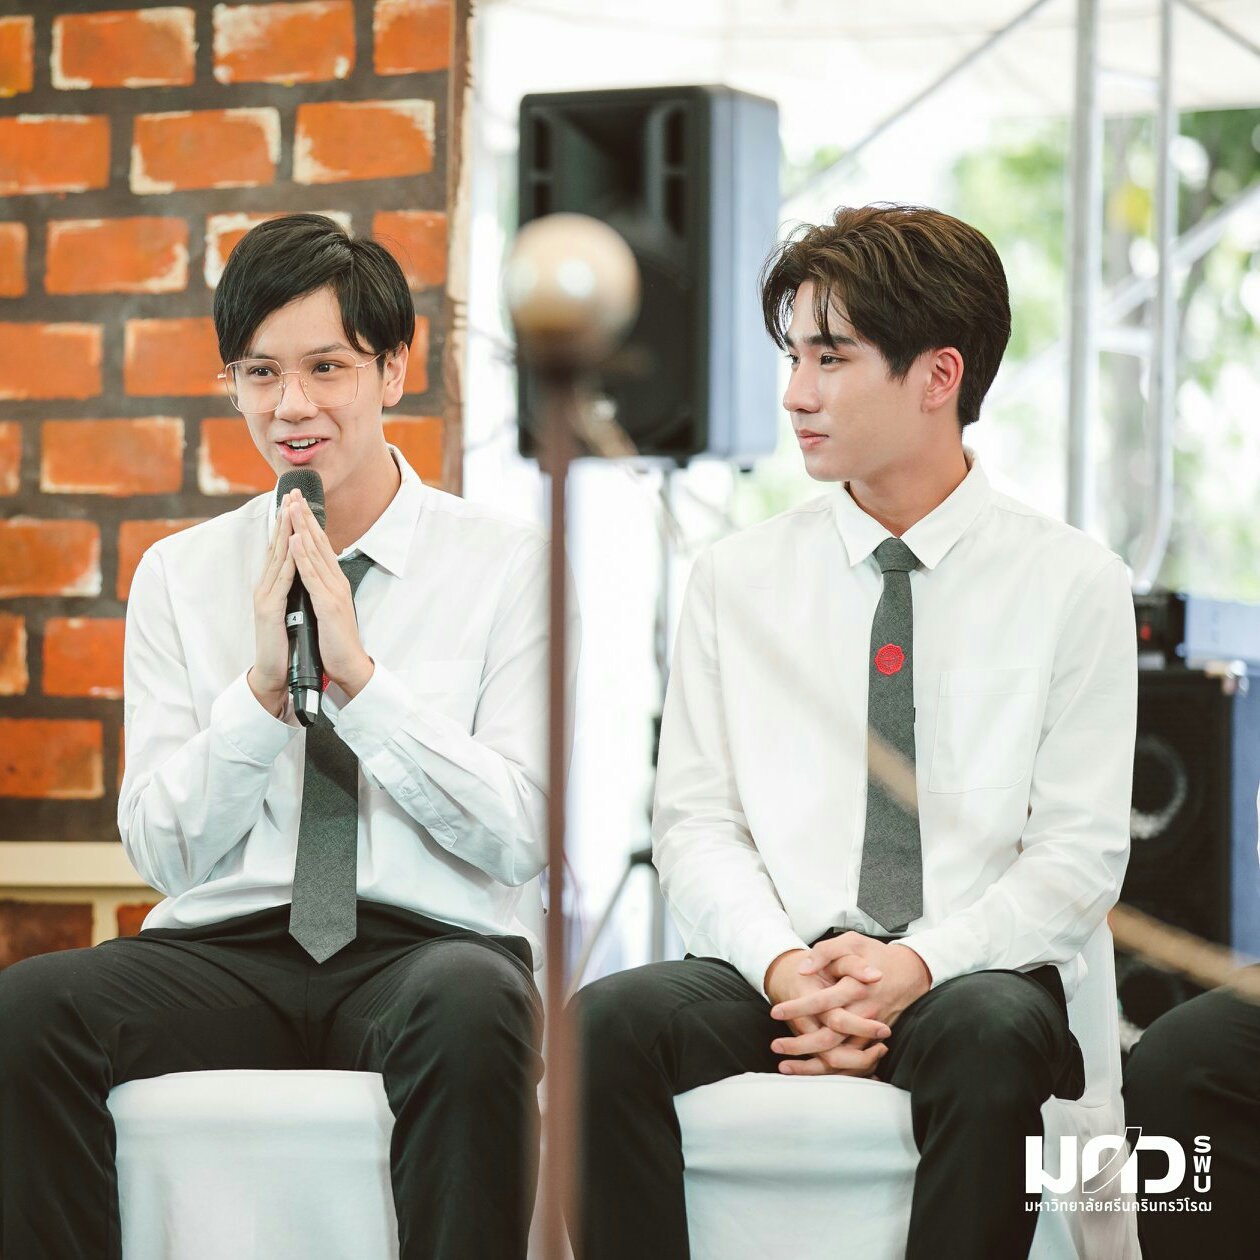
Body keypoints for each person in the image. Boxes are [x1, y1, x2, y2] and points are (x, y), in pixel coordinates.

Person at [0, 213, 575, 1260]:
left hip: (425, 950)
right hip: (230, 952)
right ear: (232, 385)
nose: (291, 405)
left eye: (327, 367)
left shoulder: (506, 565)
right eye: (260, 373)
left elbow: (523, 835)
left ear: (393, 370)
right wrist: (263, 693)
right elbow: (163, 851)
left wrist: (361, 683)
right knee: (28, 1009)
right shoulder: (180, 575)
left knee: (475, 1003)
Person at [573, 203, 1137, 1259]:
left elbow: (1079, 856)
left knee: (992, 1036)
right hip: (777, 967)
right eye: (793, 356)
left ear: (938, 376)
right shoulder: (736, 578)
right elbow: (695, 825)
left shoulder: (1073, 583)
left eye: (831, 358)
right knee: (603, 1026)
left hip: (970, 972)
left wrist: (915, 964)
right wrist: (786, 968)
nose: (796, 393)